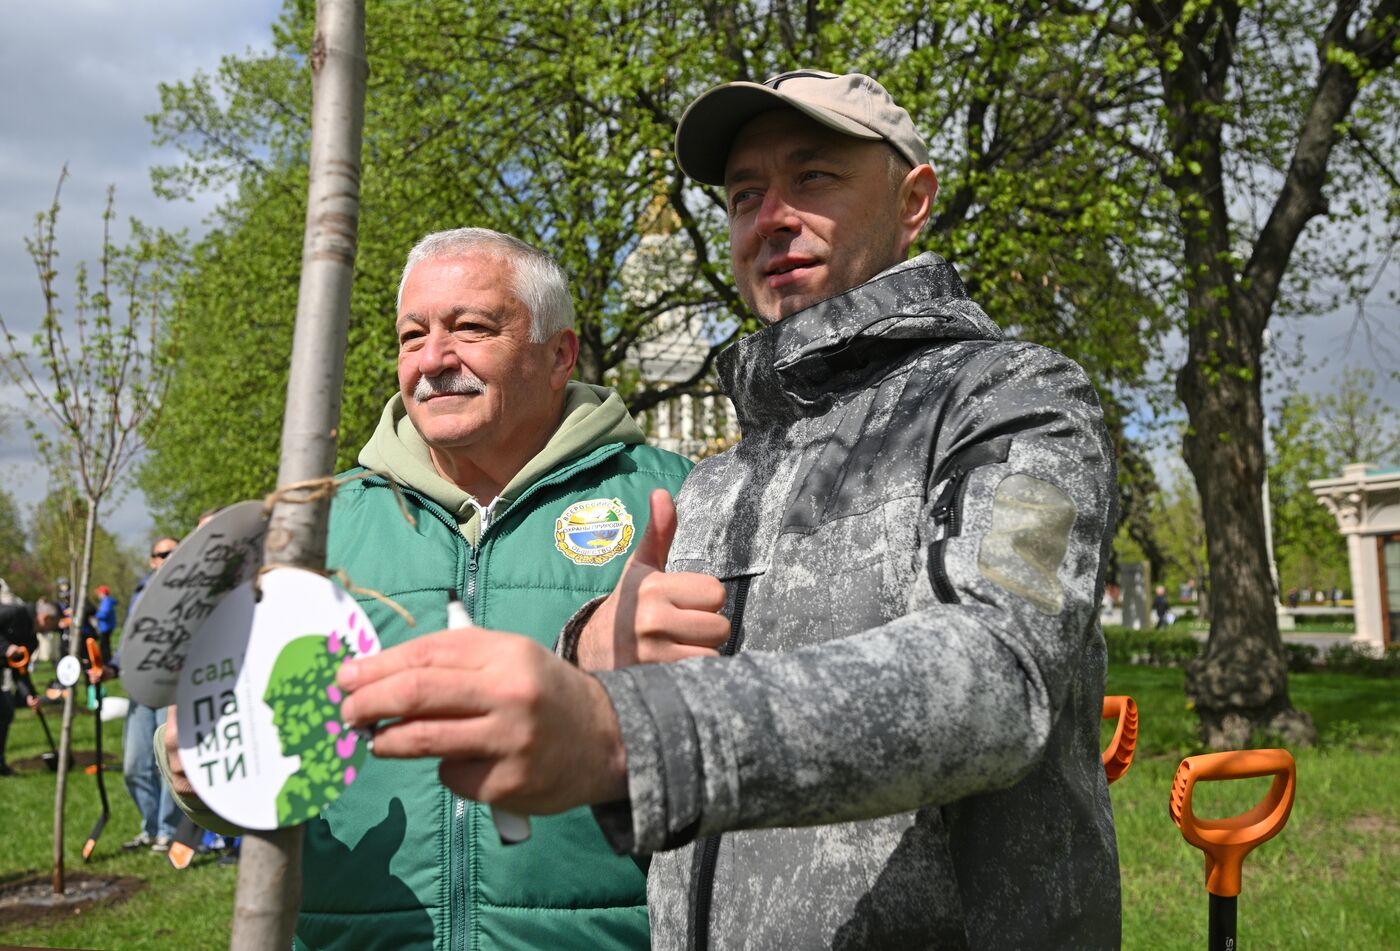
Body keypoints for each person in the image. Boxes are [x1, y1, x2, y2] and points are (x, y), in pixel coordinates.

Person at [333, 70, 1122, 947]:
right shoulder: (718, 480)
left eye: (812, 177)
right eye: (746, 193)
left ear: (914, 199)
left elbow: (999, 677)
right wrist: (592, 649)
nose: (771, 215)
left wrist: (623, 731)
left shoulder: (1016, 400)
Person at [162, 229, 692, 949]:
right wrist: (206, 778)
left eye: (471, 327)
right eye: (413, 336)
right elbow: (267, 768)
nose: (435, 360)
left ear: (559, 354)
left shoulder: (675, 501)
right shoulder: (310, 527)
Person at [89, 536, 184, 850]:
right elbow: (129, 641)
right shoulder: (141, 593)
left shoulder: (190, 589)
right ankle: (151, 826)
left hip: (174, 688)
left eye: (175, 552)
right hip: (140, 687)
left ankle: (169, 832)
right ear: (152, 560)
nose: (169, 558)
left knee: (168, 764)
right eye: (163, 554)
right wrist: (110, 669)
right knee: (134, 764)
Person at [0, 599, 60, 775]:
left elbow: (20, 670)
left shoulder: (32, 640)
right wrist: (6, 647)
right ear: (45, 618)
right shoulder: (14, 613)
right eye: (53, 625)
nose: (52, 630)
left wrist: (29, 695)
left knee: (5, 711)